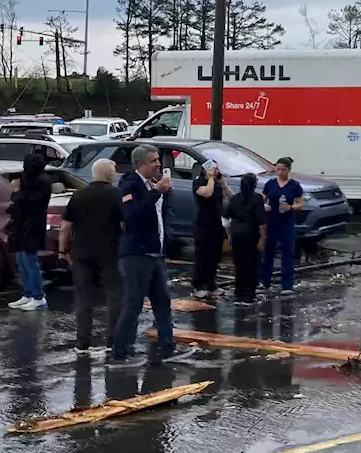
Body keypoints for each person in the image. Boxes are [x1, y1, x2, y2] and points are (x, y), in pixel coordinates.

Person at [110, 143, 185, 367]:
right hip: (136, 255)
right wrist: (156, 193)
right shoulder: (129, 184)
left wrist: (164, 196)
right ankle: (120, 353)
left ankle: (168, 346)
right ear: (141, 164)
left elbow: (161, 213)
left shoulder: (154, 184)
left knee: (162, 301)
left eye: (158, 161)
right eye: (153, 161)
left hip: (156, 254)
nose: (158, 165)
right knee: (133, 304)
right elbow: (132, 215)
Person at [58, 158, 124, 357]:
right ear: (109, 175)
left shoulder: (79, 195)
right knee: (114, 297)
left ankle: (82, 342)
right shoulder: (117, 195)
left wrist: (62, 251)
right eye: (113, 170)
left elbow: (65, 227)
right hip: (111, 252)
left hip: (82, 253)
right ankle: (112, 341)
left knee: (84, 298)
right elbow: (125, 224)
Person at [7, 152, 51, 310]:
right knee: (20, 259)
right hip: (20, 225)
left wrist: (17, 191)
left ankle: (38, 296)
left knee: (30, 260)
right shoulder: (28, 180)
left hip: (33, 225)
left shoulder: (42, 182)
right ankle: (28, 293)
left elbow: (30, 204)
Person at [260, 157, 303, 297]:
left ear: (289, 170)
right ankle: (264, 281)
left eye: (283, 170)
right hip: (271, 221)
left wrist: (290, 207)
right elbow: (263, 198)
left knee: (287, 253)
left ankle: (287, 284)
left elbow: (300, 204)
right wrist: (264, 205)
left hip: (286, 222)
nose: (279, 172)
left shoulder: (294, 185)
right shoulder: (270, 184)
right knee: (268, 252)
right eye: (277, 169)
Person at [224, 173, 266, 305]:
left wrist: (229, 235)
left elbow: (226, 218)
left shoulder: (235, 198)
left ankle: (239, 292)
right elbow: (261, 221)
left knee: (239, 263)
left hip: (237, 233)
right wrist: (262, 238)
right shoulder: (257, 198)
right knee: (252, 264)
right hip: (251, 234)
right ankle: (249, 293)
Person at [191, 161, 230, 300]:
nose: (215, 171)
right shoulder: (198, 183)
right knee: (203, 254)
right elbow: (207, 193)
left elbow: (230, 196)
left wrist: (223, 182)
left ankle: (211, 283)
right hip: (203, 223)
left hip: (216, 222)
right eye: (213, 169)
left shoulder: (217, 183)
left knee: (215, 254)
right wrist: (211, 179)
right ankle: (198, 284)